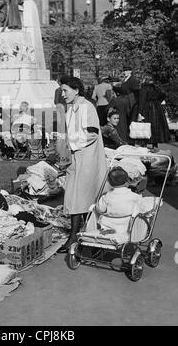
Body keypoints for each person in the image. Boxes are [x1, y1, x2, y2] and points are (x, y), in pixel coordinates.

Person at [57, 76, 107, 253]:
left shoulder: (87, 107)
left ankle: (77, 237)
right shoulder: (72, 109)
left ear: (76, 90)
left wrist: (70, 143)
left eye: (65, 90)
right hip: (76, 159)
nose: (62, 94)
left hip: (87, 159)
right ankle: (79, 234)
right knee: (75, 197)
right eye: (62, 91)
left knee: (80, 198)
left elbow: (92, 133)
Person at [95, 167, 142, 236]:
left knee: (97, 212)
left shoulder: (106, 197)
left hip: (107, 225)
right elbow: (139, 209)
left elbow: (100, 209)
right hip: (127, 226)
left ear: (110, 183)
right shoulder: (135, 197)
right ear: (127, 182)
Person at [138, 76, 170, 148]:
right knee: (156, 126)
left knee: (146, 126)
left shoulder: (144, 89)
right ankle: (155, 146)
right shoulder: (156, 88)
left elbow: (142, 100)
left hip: (147, 108)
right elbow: (163, 95)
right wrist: (158, 102)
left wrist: (139, 112)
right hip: (157, 108)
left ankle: (144, 145)